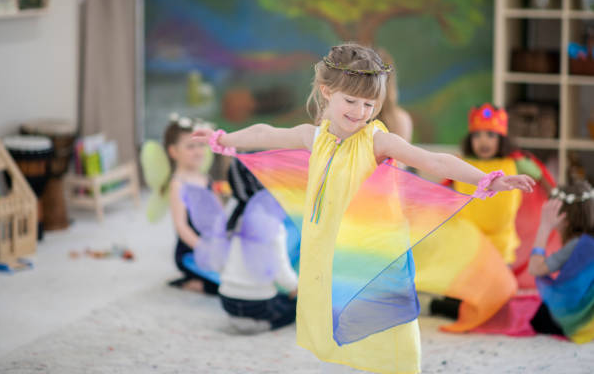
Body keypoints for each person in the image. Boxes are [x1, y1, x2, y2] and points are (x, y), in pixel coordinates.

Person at [193, 43, 534, 373]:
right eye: (351, 101)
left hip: (372, 246)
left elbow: (432, 159)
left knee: (388, 326)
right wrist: (224, 139)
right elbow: (265, 133)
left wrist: (484, 178)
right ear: (327, 91)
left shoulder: (376, 140)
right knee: (339, 319)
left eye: (369, 104)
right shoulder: (314, 136)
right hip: (328, 246)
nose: (360, 112)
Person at [218, 159, 298, 333]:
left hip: (226, 300)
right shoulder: (272, 221)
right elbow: (281, 271)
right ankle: (262, 324)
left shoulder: (230, 217)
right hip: (258, 304)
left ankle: (240, 319)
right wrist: (295, 287)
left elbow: (218, 261)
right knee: (293, 306)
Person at [528, 181, 594, 343]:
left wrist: (544, 227)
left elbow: (536, 268)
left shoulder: (579, 245)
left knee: (538, 318)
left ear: (564, 218)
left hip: (583, 317)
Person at [164, 116, 219, 294]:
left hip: (213, 243)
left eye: (201, 145)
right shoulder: (178, 184)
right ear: (173, 151)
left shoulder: (206, 178)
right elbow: (181, 226)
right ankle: (191, 283)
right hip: (191, 251)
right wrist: (205, 249)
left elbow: (219, 213)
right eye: (190, 146)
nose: (198, 151)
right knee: (221, 285)